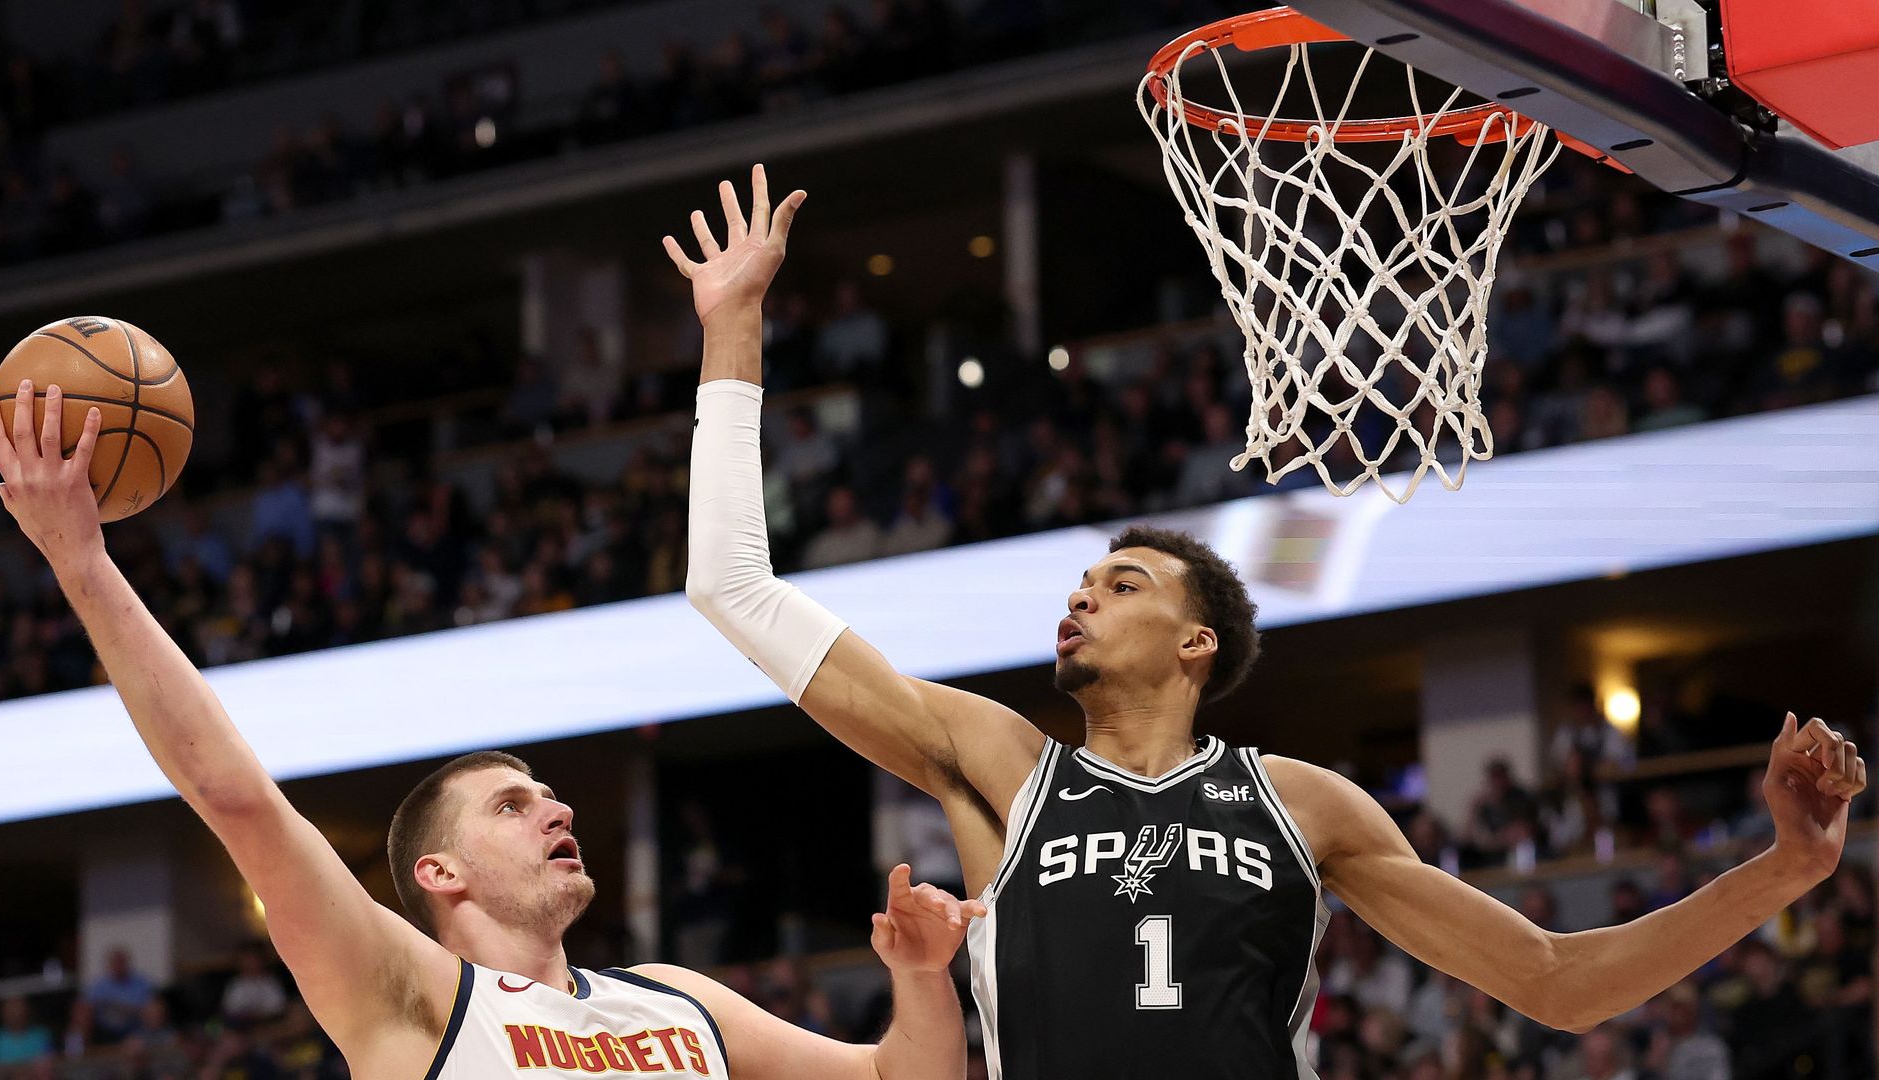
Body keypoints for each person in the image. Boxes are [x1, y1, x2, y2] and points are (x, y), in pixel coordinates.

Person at [673, 165, 1871, 1079]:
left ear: (1199, 644)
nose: (1083, 594)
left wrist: (1788, 868)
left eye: (1125, 583)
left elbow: (1559, 983)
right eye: (1085, 582)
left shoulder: (1304, 807)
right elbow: (733, 590)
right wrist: (733, 328)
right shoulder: (999, 766)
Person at [0, 378, 981, 1080]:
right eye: (513, 805)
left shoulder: (679, 1004)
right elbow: (236, 799)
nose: (556, 811)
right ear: (439, 873)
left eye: (549, 796)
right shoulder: (407, 992)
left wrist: (923, 980)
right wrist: (82, 563)